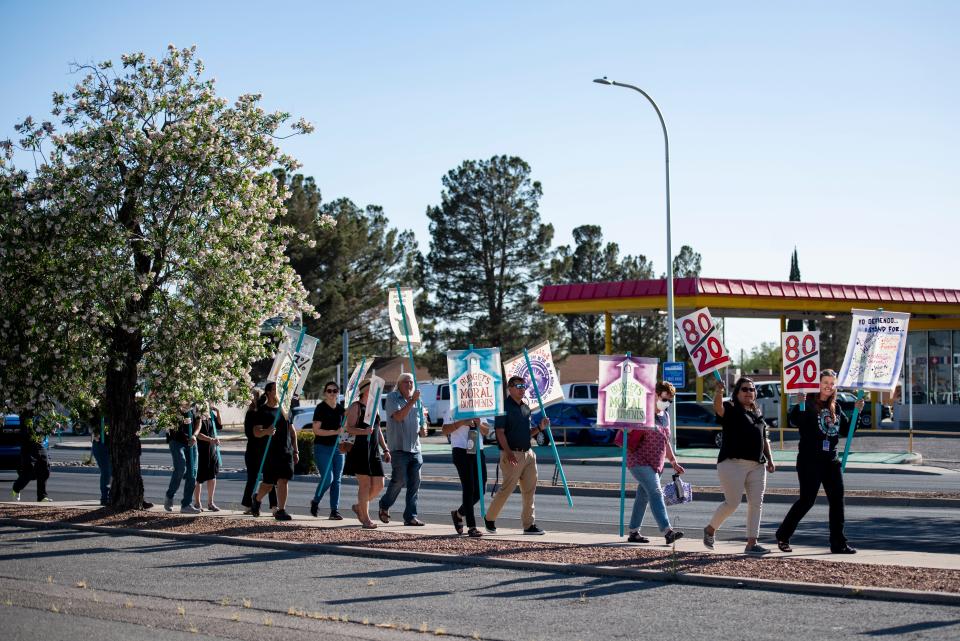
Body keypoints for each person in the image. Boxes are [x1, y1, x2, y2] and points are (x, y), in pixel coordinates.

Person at [775, 369, 862, 554]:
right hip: (809, 460)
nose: (829, 386)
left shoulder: (835, 407)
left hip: (831, 460)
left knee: (837, 501)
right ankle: (783, 534)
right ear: (817, 383)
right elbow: (795, 421)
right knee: (807, 500)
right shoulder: (806, 403)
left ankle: (838, 543)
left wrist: (857, 412)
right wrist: (799, 405)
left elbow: (848, 430)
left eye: (832, 383)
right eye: (825, 382)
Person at [703, 377, 776, 553]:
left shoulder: (757, 411)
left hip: (757, 465)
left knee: (756, 503)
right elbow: (718, 408)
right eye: (744, 389)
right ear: (737, 392)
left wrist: (770, 460)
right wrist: (719, 391)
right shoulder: (731, 407)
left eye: (751, 389)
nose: (748, 392)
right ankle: (710, 529)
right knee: (732, 503)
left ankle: (752, 543)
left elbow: (764, 438)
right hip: (732, 463)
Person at [616, 381, 685, 545]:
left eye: (670, 400)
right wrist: (627, 426)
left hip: (656, 465)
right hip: (638, 460)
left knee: (643, 497)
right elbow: (623, 430)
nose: (667, 403)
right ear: (655, 395)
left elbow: (665, 441)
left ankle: (633, 532)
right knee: (655, 492)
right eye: (664, 399)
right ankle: (667, 531)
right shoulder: (640, 412)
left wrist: (673, 461)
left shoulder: (665, 416)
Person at [484, 376, 550, 535]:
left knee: (529, 491)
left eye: (524, 386)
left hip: (528, 453)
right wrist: (508, 453)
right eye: (518, 386)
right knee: (507, 489)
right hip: (511, 454)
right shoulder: (503, 407)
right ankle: (489, 518)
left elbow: (527, 433)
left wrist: (540, 428)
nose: (522, 389)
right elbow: (499, 433)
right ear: (510, 388)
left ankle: (529, 525)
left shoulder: (526, 408)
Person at [378, 373, 427, 526]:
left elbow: (422, 419)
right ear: (399, 384)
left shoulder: (417, 400)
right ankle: (384, 504)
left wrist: (423, 428)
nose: (409, 385)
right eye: (406, 382)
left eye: (411, 382)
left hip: (415, 448)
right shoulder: (392, 398)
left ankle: (410, 516)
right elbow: (399, 416)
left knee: (414, 483)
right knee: (400, 480)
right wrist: (412, 401)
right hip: (399, 448)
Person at [342, 380, 390, 529]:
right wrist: (363, 432)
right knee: (365, 484)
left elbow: (378, 429)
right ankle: (366, 518)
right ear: (365, 390)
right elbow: (349, 428)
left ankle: (359, 507)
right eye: (372, 388)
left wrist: (386, 449)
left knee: (379, 484)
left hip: (373, 450)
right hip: (359, 450)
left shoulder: (374, 407)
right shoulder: (355, 407)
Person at [250, 382, 299, 520]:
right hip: (270, 452)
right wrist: (267, 431)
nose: (279, 392)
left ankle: (281, 510)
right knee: (269, 483)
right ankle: (257, 498)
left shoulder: (285, 409)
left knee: (283, 480)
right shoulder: (262, 411)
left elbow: (292, 431)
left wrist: (296, 450)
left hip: (286, 451)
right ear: (268, 392)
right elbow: (256, 432)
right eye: (276, 390)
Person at [442, 407, 489, 537]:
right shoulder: (453, 409)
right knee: (469, 488)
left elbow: (486, 431)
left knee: (481, 489)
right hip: (460, 449)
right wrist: (462, 422)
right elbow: (445, 430)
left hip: (477, 449)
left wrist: (479, 424)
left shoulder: (478, 408)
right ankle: (472, 526)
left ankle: (458, 514)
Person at [310, 381, 346, 520]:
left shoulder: (342, 410)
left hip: (338, 448)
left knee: (337, 480)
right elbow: (316, 430)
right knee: (328, 478)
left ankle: (334, 511)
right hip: (322, 448)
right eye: (329, 391)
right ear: (325, 393)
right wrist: (335, 432)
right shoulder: (320, 408)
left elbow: (345, 430)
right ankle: (316, 500)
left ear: (338, 393)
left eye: (335, 391)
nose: (332, 393)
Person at [241, 389, 277, 514]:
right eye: (253, 397)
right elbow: (249, 433)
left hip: (267, 449)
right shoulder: (250, 414)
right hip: (253, 450)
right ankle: (248, 505)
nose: (255, 399)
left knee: (270, 478)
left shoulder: (265, 412)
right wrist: (261, 432)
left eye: (257, 396)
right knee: (252, 478)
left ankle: (274, 506)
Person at [164, 403, 201, 514]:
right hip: (176, 440)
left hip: (191, 442)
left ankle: (186, 504)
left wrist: (194, 435)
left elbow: (199, 423)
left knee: (192, 473)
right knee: (181, 468)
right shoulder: (175, 401)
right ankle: (170, 495)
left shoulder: (197, 404)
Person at [11, 414, 51, 502]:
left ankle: (41, 496)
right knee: (29, 470)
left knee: (45, 465)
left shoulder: (42, 407)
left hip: (38, 440)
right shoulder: (26, 408)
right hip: (27, 441)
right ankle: (16, 488)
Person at [192, 404, 222, 512]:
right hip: (200, 450)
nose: (207, 406)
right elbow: (198, 434)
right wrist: (211, 439)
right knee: (199, 478)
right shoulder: (197, 418)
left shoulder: (211, 417)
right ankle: (197, 503)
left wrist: (218, 412)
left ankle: (210, 503)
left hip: (212, 450)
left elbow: (219, 426)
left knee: (212, 476)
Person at [90, 411, 111, 506]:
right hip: (101, 445)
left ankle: (110, 496)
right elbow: (93, 429)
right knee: (107, 472)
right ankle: (105, 497)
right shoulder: (98, 412)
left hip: (109, 445)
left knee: (111, 472)